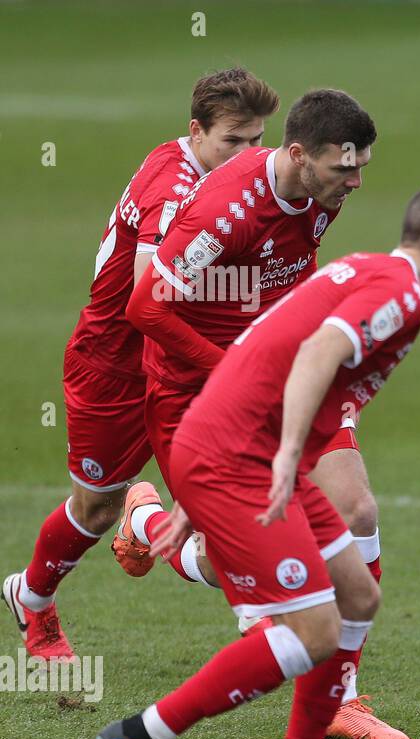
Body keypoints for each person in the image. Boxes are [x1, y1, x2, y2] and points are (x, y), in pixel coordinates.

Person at [94, 185, 420, 739]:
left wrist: (207, 472)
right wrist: (277, 453)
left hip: (232, 444)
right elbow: (317, 353)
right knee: (313, 631)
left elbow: (261, 349)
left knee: (358, 597)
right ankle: (141, 736)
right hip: (241, 457)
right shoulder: (403, 296)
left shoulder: (366, 267)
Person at [3, 68, 277, 661]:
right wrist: (231, 367)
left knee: (230, 516)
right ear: (196, 132)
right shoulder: (173, 191)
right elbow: (146, 301)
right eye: (234, 141)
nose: (248, 155)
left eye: (257, 140)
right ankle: (33, 597)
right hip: (117, 366)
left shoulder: (225, 172)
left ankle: (282, 637)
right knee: (96, 506)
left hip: (184, 373)